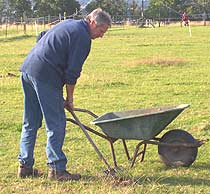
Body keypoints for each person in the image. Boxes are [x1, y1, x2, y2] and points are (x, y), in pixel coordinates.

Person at [17, 8, 112, 181]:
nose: (101, 35)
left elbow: (42, 35)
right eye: (100, 30)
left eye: (104, 32)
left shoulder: (69, 23)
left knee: (30, 122)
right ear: (92, 22)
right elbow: (72, 73)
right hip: (45, 76)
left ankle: (25, 166)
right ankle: (57, 170)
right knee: (56, 123)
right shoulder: (83, 38)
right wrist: (69, 99)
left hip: (28, 69)